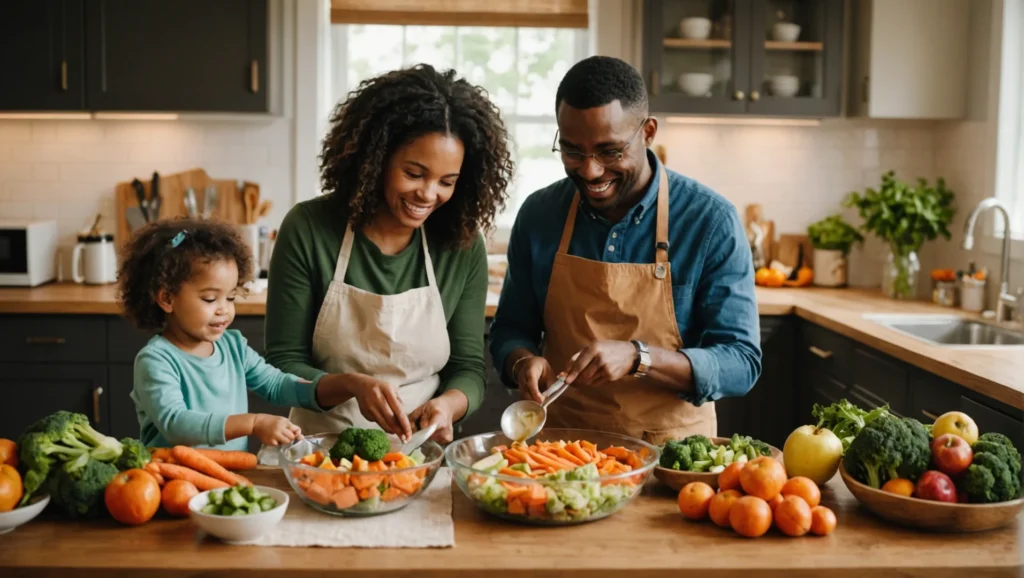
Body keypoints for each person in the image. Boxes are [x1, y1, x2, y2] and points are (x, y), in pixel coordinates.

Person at [489, 56, 761, 445]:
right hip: (562, 450)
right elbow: (512, 329)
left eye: (609, 151)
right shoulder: (539, 215)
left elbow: (741, 362)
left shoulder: (710, 221)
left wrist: (639, 357)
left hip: (671, 455)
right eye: (572, 151)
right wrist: (521, 363)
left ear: (647, 132)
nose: (590, 171)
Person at [264, 64, 515, 444]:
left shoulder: (461, 243)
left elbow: (467, 366)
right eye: (414, 174)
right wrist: (349, 385)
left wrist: (448, 404)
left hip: (420, 451)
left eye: (447, 182)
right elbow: (283, 362)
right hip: (318, 450)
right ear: (376, 158)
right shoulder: (309, 228)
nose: (429, 195)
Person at [118, 219, 341, 451]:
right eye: (210, 299)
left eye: (231, 297)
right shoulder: (156, 360)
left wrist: (330, 387)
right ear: (167, 299)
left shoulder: (233, 346)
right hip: (175, 482)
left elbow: (275, 384)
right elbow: (177, 424)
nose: (224, 309)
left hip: (230, 478)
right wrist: (253, 423)